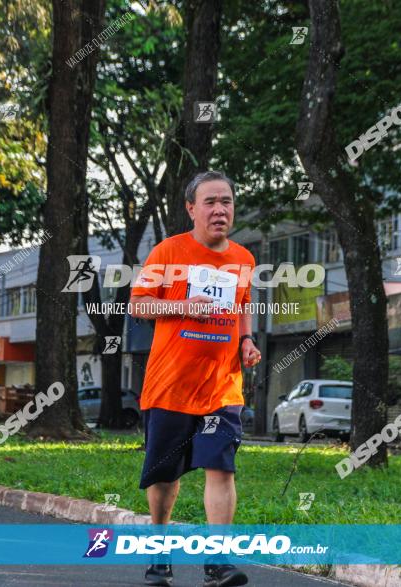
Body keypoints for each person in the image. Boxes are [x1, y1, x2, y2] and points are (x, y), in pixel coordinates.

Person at [129, 171, 260, 587]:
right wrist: (183, 306)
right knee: (165, 475)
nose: (220, 209)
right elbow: (139, 305)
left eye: (227, 201)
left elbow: (242, 305)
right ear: (191, 208)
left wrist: (247, 340)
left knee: (221, 469)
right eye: (210, 202)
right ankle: (159, 550)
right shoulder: (168, 252)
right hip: (170, 384)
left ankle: (217, 561)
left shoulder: (244, 258)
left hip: (222, 386)